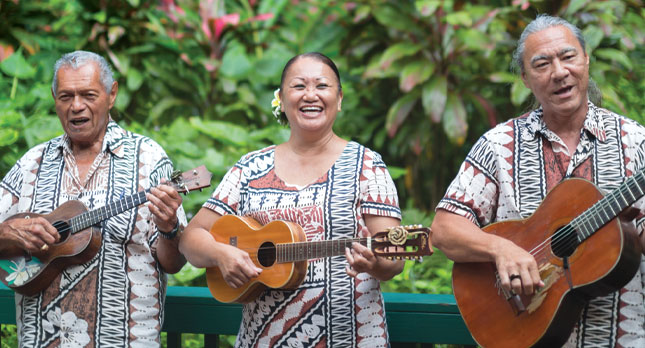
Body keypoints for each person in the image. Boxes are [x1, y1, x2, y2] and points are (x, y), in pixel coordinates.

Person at [431, 14, 645, 347]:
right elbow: (444, 230)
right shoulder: (498, 145)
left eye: (568, 57)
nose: (559, 72)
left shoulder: (635, 142)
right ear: (526, 79)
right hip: (521, 330)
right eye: (542, 64)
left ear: (586, 60)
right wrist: (500, 248)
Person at [179, 52, 404, 347]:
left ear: (339, 99)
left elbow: (395, 256)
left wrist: (376, 263)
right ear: (282, 100)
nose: (310, 95)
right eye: (298, 86)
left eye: (322, 86)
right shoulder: (249, 167)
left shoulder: (366, 166)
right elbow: (190, 238)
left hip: (350, 339)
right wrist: (221, 255)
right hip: (262, 340)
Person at [0, 50, 187, 347]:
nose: (76, 106)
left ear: (111, 94)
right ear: (54, 97)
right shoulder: (32, 163)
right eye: (65, 96)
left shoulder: (148, 158)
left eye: (88, 94)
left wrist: (169, 227)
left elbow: (173, 262)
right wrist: (10, 232)